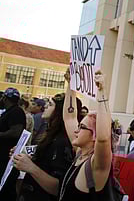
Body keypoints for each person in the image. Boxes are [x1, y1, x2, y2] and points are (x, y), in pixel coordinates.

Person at [55, 69, 117, 200]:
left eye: (81, 127)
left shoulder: (97, 164)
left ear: (94, 135)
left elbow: (103, 138)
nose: (76, 131)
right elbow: (70, 118)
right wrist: (71, 85)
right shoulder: (80, 153)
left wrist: (101, 92)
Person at [14, 93, 74, 201]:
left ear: (59, 111)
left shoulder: (62, 142)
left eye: (50, 104)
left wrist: (31, 167)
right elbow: (46, 165)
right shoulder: (51, 135)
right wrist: (24, 157)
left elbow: (58, 187)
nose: (45, 106)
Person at [0, 87, 26, 200]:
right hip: (4, 156)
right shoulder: (10, 111)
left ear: (5, 98)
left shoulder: (16, 111)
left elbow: (16, 132)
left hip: (7, 158)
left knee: (6, 188)